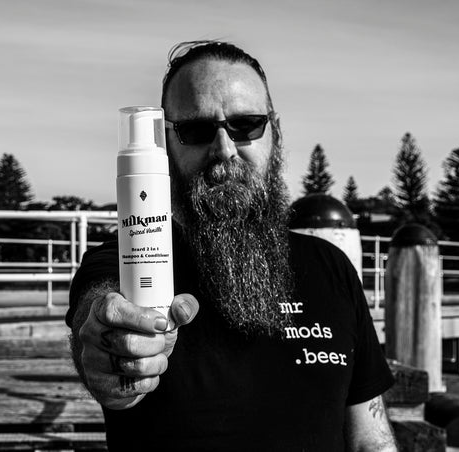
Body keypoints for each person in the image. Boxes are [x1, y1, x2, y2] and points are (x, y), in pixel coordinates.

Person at [67, 40, 397, 451]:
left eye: (246, 125)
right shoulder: (125, 261)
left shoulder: (331, 267)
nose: (224, 149)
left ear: (274, 132)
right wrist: (112, 352)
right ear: (166, 145)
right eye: (197, 130)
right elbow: (99, 317)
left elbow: (371, 440)